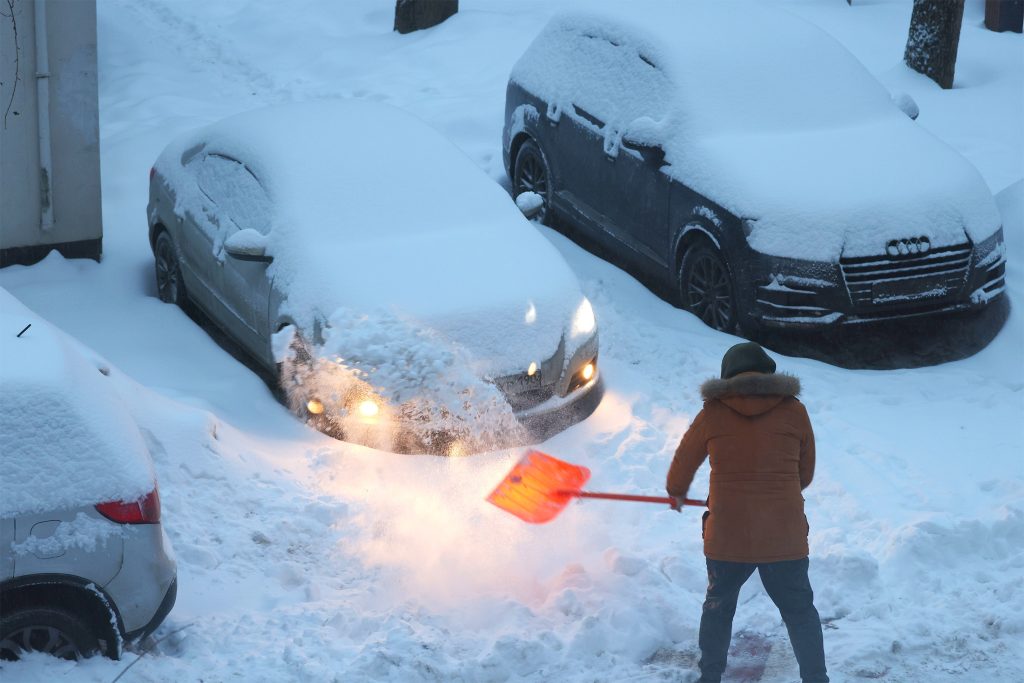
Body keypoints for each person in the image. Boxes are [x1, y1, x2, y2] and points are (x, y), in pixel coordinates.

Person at [666, 342, 828, 683]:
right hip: (783, 535)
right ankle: (816, 679)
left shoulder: (712, 412)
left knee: (718, 608)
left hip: (728, 534)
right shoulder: (794, 410)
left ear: (728, 377)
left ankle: (709, 677)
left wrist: (676, 491)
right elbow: (806, 470)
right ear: (768, 372)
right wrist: (781, 489)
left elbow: (683, 460)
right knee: (799, 611)